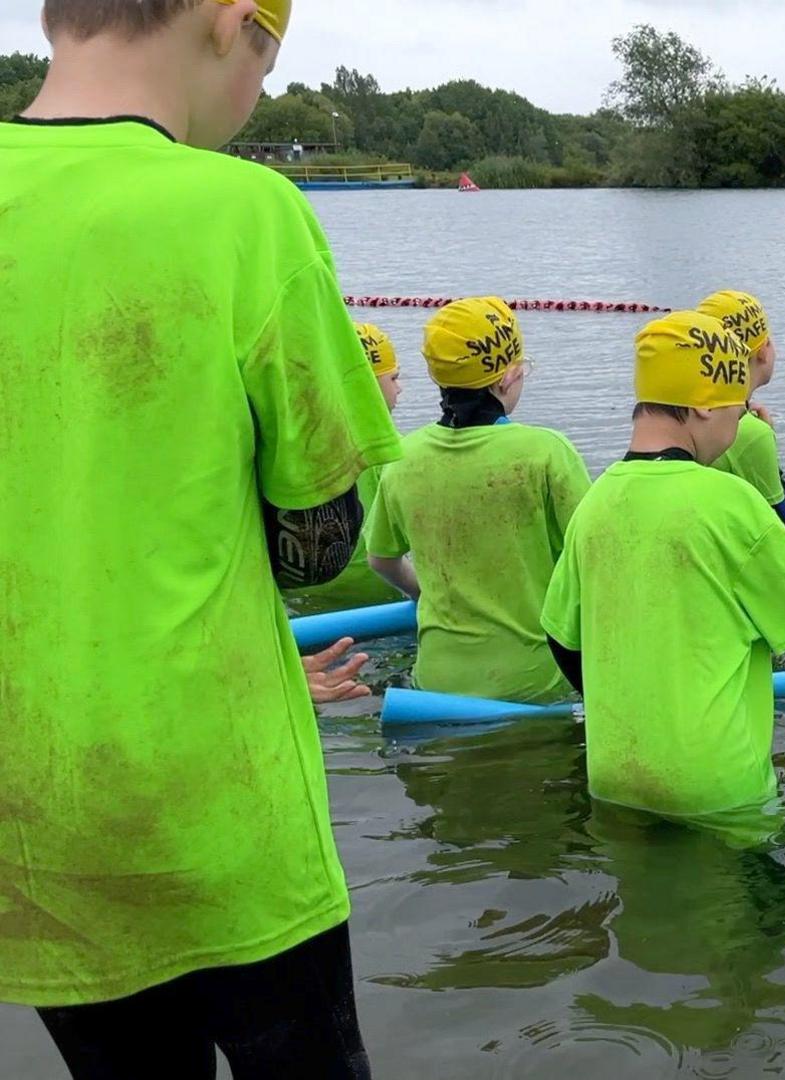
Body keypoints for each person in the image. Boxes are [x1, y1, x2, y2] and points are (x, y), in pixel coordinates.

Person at [0, 2, 398, 1077]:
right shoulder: (241, 210)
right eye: (268, 64)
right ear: (230, 27)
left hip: (24, 814)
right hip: (208, 797)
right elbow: (317, 545)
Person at [541, 311, 785, 837]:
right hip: (716, 783)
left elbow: (561, 637)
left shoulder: (597, 501)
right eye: (738, 410)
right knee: (749, 913)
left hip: (615, 777)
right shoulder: (730, 501)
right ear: (706, 405)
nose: (738, 426)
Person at [367, 297, 590, 704]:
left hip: (437, 682)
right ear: (506, 378)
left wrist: (424, 591)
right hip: (534, 681)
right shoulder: (546, 452)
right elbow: (596, 560)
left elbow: (381, 559)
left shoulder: (402, 459)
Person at [283, 322, 406, 611]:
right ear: (366, 384)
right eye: (394, 378)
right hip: (378, 605)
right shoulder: (390, 452)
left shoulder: (286, 446)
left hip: (301, 605)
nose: (399, 389)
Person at [697, 290, 785, 532]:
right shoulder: (750, 432)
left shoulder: (689, 416)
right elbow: (783, 528)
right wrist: (766, 436)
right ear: (763, 350)